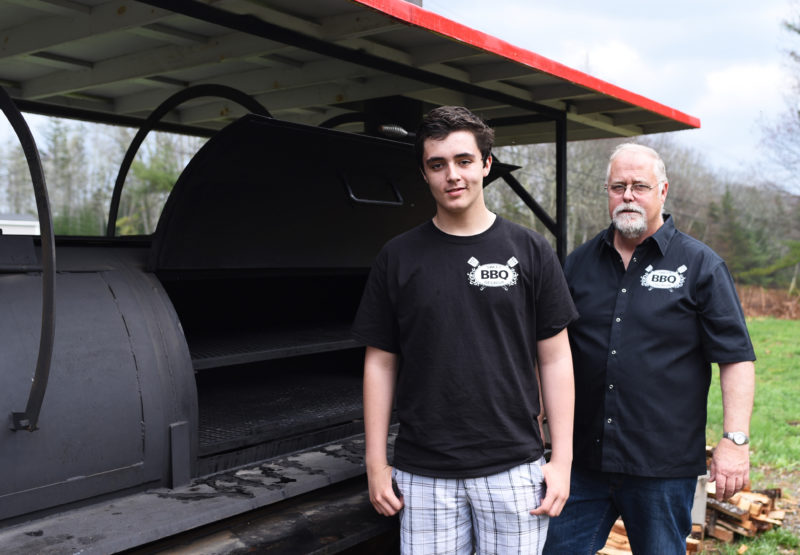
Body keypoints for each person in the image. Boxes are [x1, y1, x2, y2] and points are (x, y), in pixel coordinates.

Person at [351, 105, 578, 554]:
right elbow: (379, 363)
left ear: (486, 165)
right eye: (437, 164)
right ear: (424, 173)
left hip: (515, 467)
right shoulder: (397, 258)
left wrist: (562, 459)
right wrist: (376, 463)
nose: (452, 175)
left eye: (464, 161)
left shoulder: (530, 249)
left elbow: (555, 358)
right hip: (423, 473)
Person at [543, 143, 756, 554]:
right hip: (582, 461)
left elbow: (735, 358)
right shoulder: (577, 264)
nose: (627, 196)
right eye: (617, 186)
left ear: (663, 191)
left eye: (639, 186)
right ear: (606, 191)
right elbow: (553, 352)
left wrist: (734, 441)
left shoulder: (700, 265)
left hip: (662, 466)